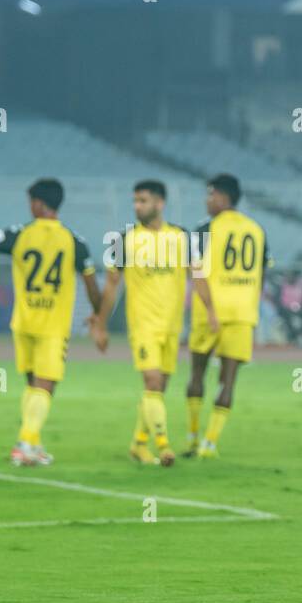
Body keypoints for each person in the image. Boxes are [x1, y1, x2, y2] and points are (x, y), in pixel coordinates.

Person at [0, 178, 100, 465]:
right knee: (45, 386)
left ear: (38, 204)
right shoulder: (75, 241)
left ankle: (33, 444)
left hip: (23, 322)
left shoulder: (19, 234)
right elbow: (91, 283)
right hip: (53, 326)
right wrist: (97, 315)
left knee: (33, 384)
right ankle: (24, 443)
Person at [90, 180, 189, 466]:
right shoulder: (122, 239)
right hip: (143, 325)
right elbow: (111, 285)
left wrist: (210, 313)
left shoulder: (184, 237)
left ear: (160, 204)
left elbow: (200, 279)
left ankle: (138, 444)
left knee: (156, 391)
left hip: (172, 326)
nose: (137, 206)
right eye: (135, 201)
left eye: (143, 201)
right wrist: (101, 324)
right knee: (153, 382)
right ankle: (164, 446)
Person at [184, 174, 272, 459]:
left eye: (210, 194)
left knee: (197, 372)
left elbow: (196, 274)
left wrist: (210, 310)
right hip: (243, 313)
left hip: (210, 311)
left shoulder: (204, 229)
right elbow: (261, 273)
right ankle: (210, 443)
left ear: (223, 197)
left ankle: (193, 436)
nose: (207, 200)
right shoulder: (257, 231)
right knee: (229, 380)